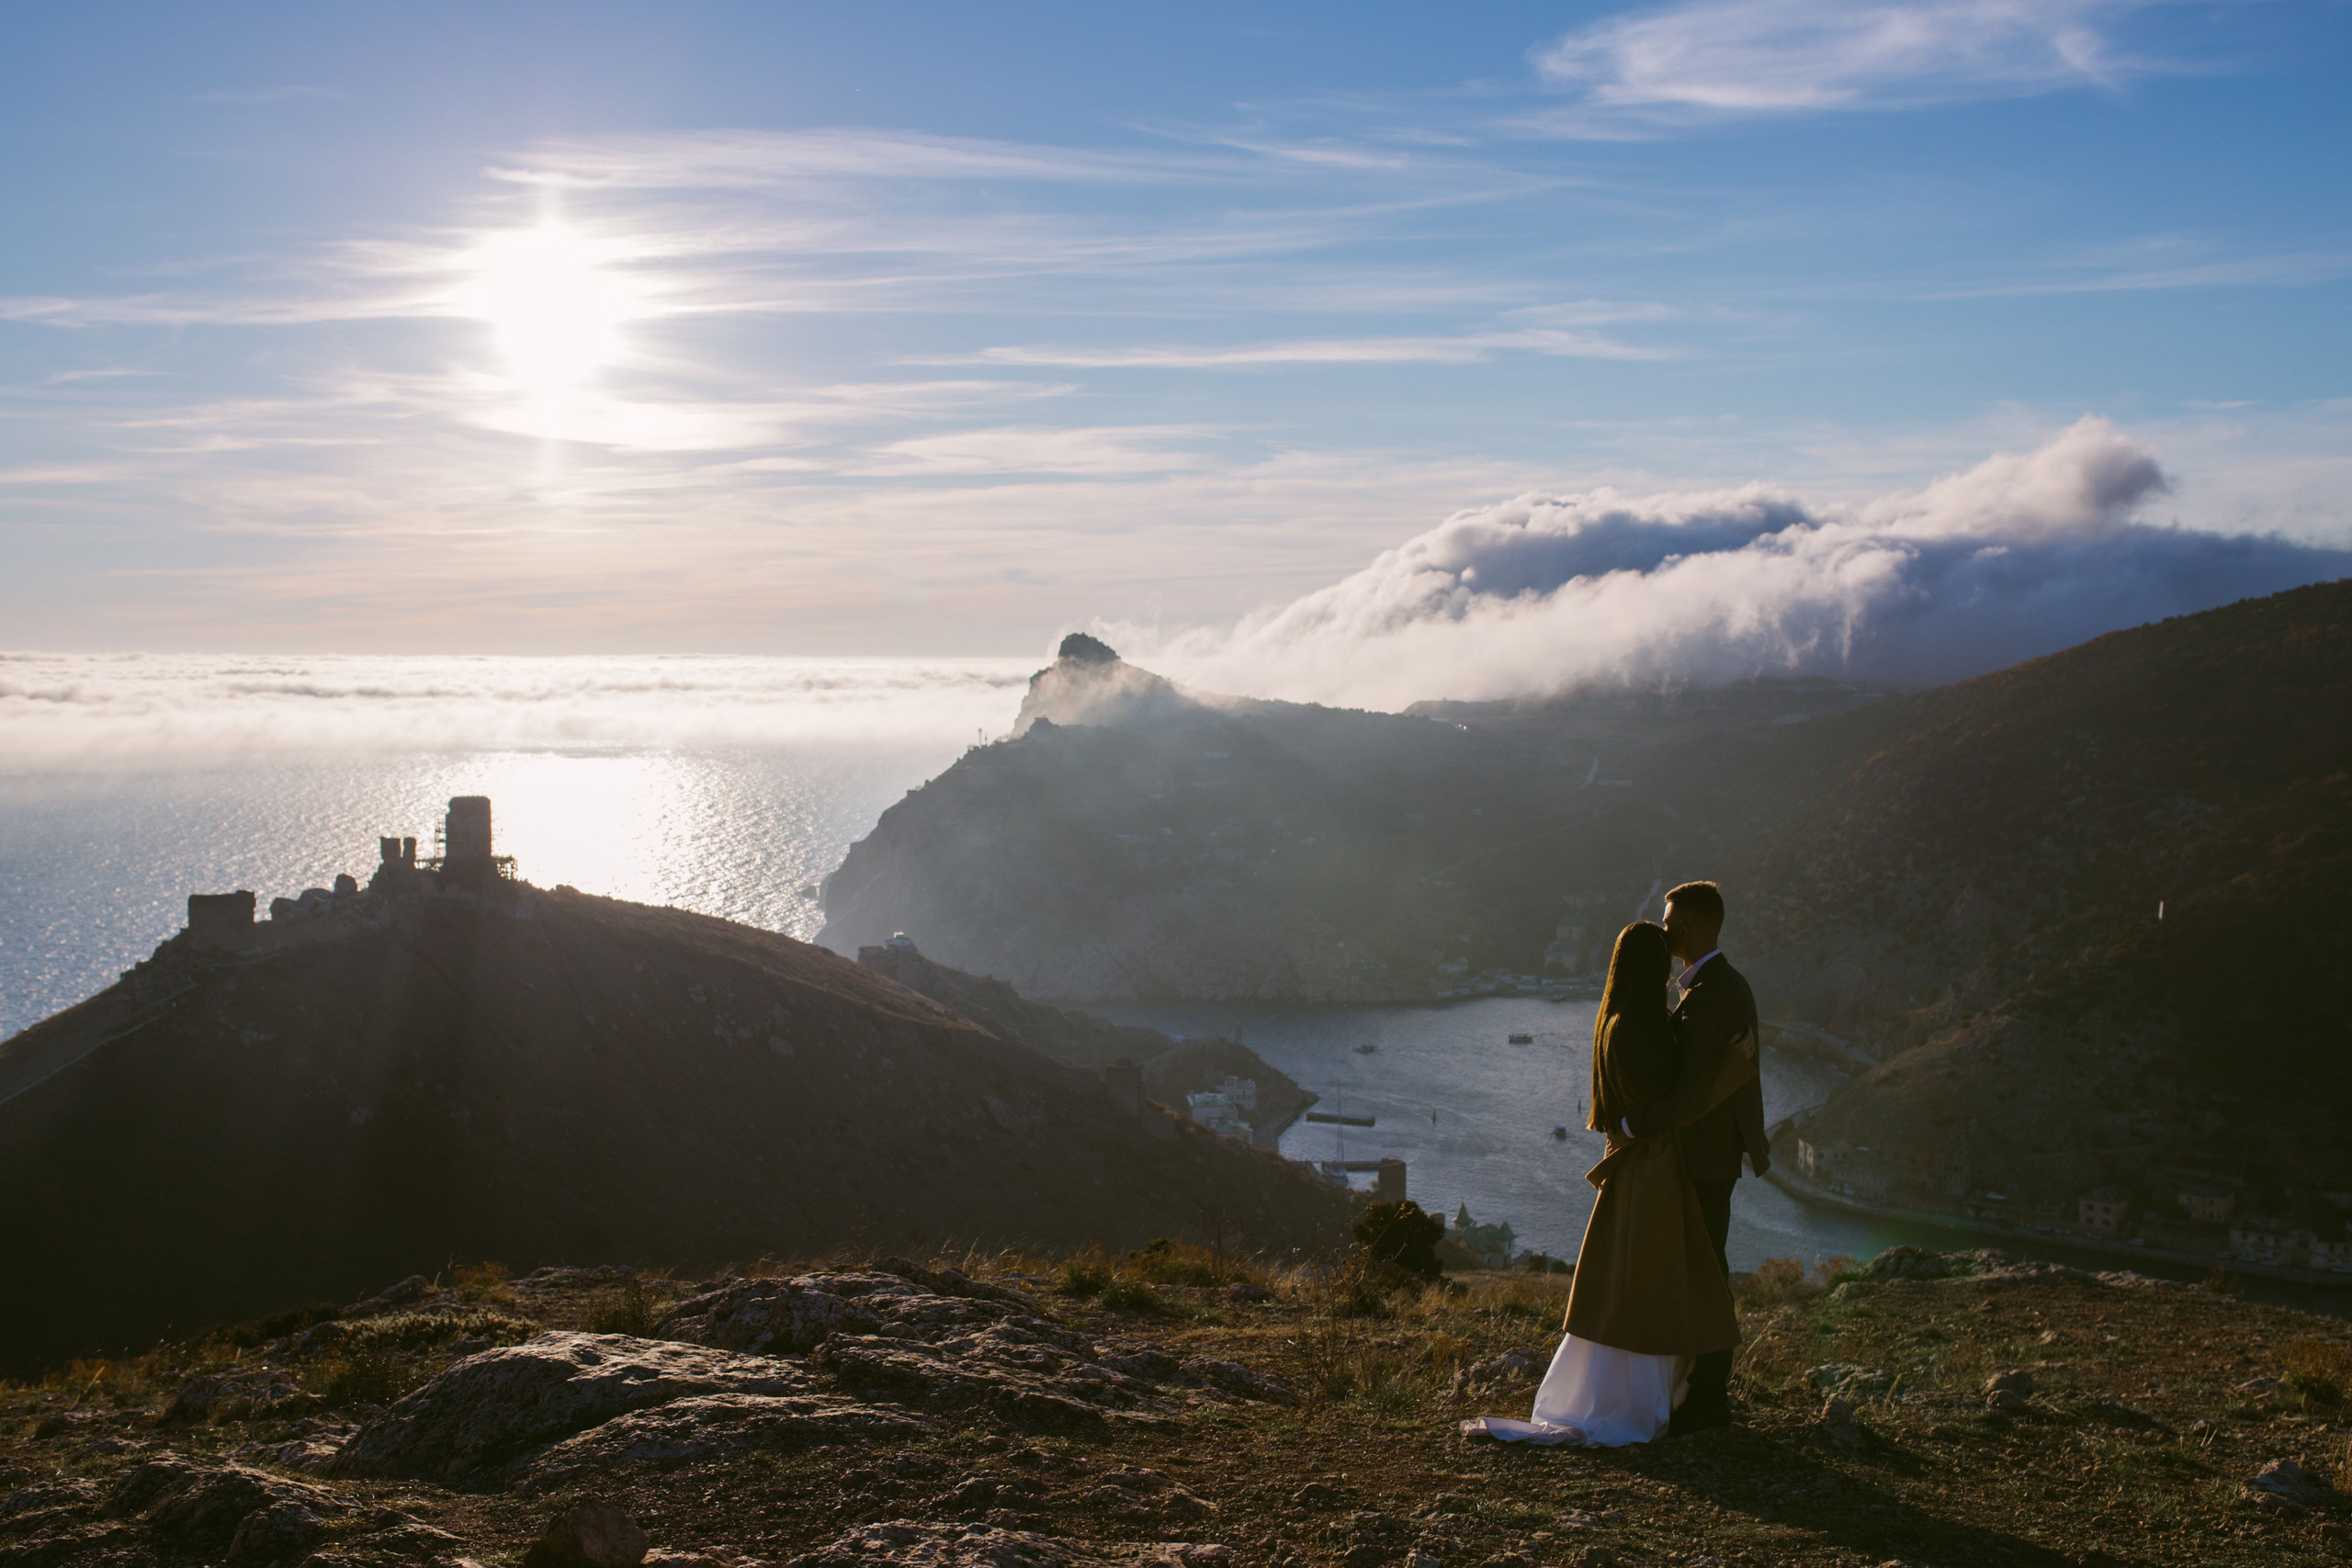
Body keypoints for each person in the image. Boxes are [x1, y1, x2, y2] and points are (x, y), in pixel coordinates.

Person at [1459, 920, 1739, 1446]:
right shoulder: (1646, 1025)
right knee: (1652, 1285)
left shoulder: (1612, 1019)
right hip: (1654, 1169)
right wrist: (1729, 1067)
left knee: (1624, 1283)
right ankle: (1643, 1402)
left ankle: (1611, 1394)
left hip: (1631, 1168)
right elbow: (1675, 1099)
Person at [1626, 879, 1769, 1435]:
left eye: (1666, 924)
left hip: (1707, 1155)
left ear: (1684, 929)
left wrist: (1637, 1123)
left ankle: (1710, 1395)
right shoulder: (1715, 986)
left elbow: (1691, 1093)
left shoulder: (1711, 995)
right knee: (1705, 1265)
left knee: (1709, 1270)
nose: (1663, 933)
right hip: (1708, 1152)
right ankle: (1698, 1386)